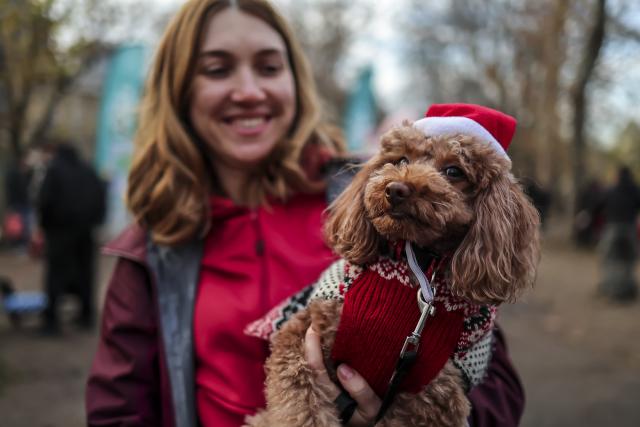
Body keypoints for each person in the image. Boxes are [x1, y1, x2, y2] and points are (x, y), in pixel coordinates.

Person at [86, 1, 525, 426]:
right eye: (218, 69)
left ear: (296, 81)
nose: (249, 91)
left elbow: (495, 385)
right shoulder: (153, 248)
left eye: (269, 67)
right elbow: (118, 412)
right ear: (179, 89)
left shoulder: (370, 201)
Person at [37, 143, 106, 334]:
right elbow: (101, 195)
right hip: (86, 231)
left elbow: (45, 200)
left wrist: (45, 225)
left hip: (60, 231)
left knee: (56, 274)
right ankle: (86, 315)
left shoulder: (55, 170)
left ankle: (52, 320)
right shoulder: (89, 170)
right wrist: (96, 221)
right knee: (86, 273)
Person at [597, 166, 640, 302]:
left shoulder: (611, 190)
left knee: (608, 257)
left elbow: (599, 206)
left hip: (613, 227)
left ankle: (610, 287)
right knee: (629, 259)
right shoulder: (635, 190)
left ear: (618, 176)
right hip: (629, 227)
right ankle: (628, 288)